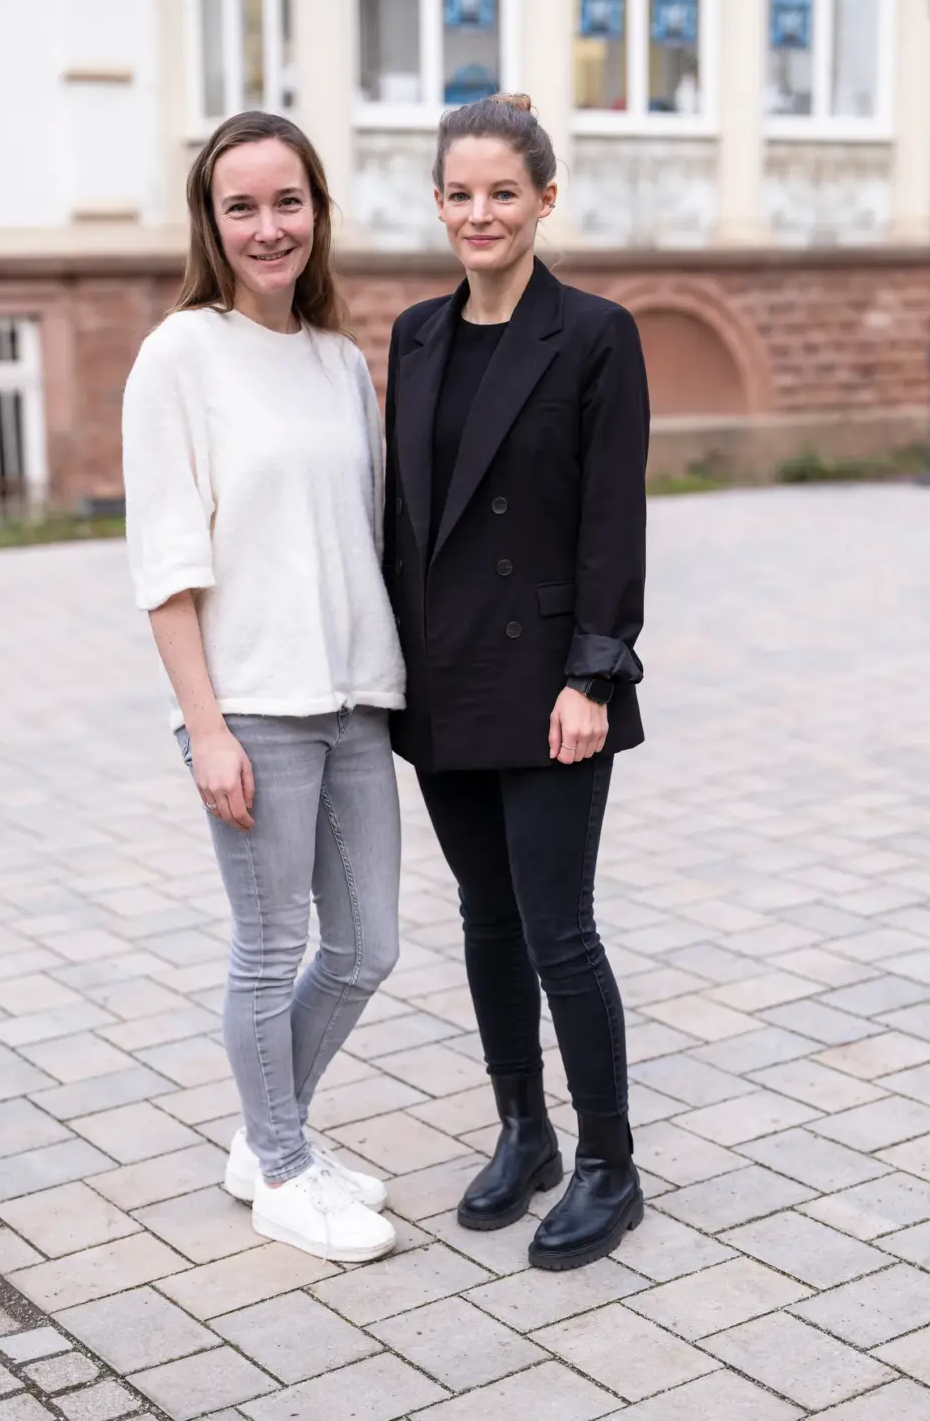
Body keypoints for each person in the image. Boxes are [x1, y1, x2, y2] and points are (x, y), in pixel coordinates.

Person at [122, 111, 405, 1264]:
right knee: (268, 943)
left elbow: (365, 533)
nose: (267, 226)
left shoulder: (337, 360)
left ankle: (264, 1136)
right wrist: (205, 731)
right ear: (211, 222)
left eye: (287, 202)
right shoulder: (179, 356)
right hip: (251, 708)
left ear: (317, 214)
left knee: (367, 947)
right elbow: (165, 566)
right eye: (240, 207)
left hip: (354, 703)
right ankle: (283, 1170)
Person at [383, 93, 649, 1272]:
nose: (478, 213)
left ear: (544, 199)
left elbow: (610, 519)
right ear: (436, 203)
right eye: (458, 193)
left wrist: (592, 674)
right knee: (483, 919)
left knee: (557, 931)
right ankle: (522, 1131)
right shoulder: (413, 336)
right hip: (442, 682)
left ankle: (608, 1166)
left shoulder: (592, 333)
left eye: (501, 192)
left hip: (549, 687)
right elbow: (402, 517)